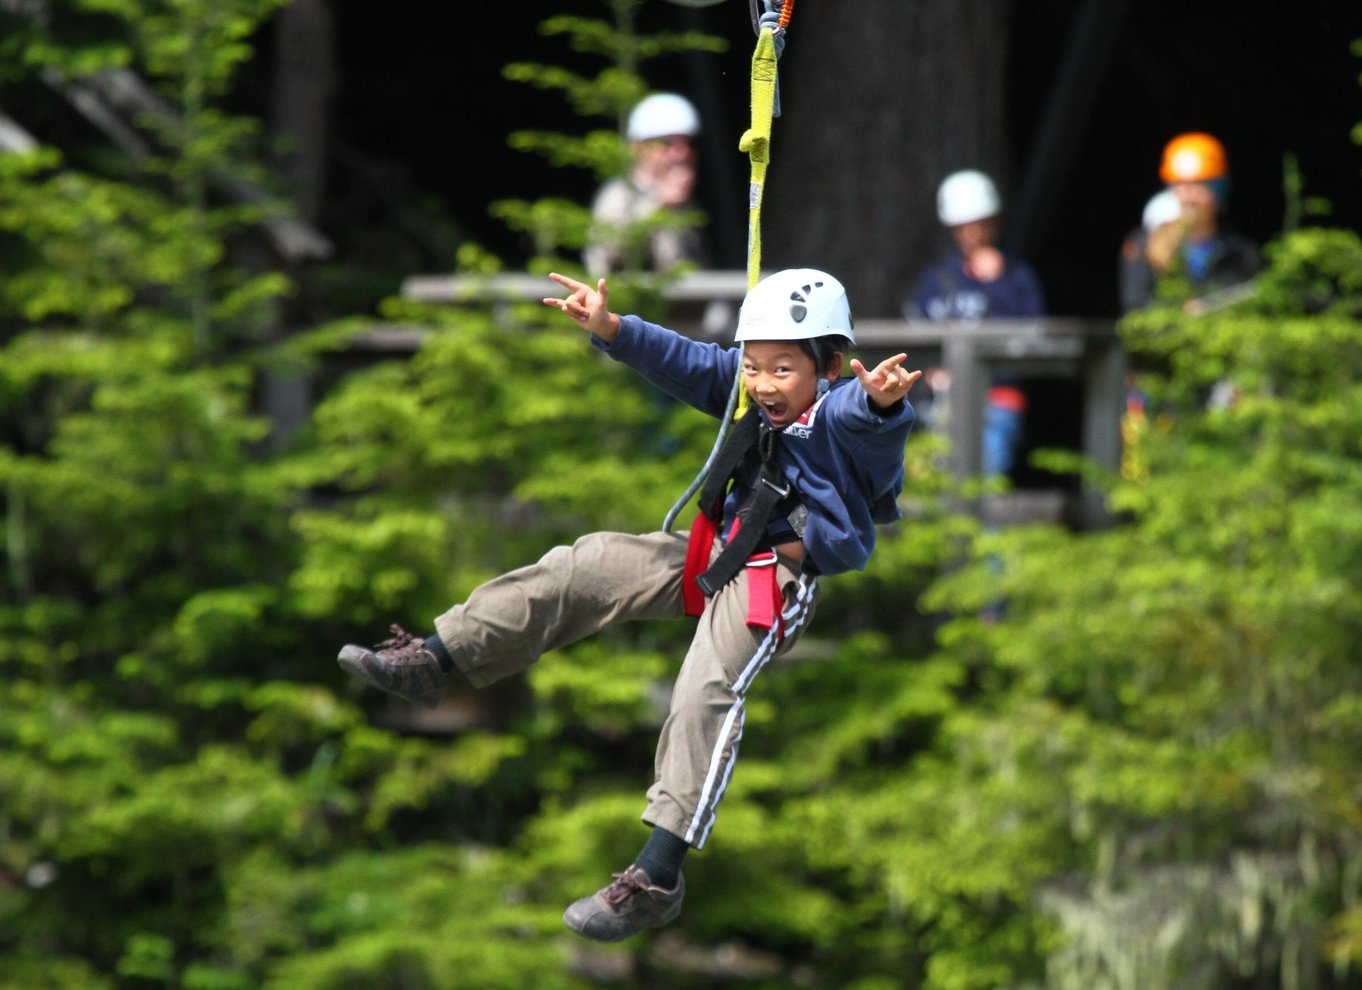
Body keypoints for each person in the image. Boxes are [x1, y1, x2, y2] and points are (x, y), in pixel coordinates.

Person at [337, 268, 921, 942]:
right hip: (714, 554)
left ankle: (658, 874)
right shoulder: (746, 395)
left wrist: (880, 404)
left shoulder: (843, 414)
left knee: (704, 688)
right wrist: (612, 329)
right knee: (586, 565)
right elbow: (689, 361)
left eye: (783, 369)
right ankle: (436, 660)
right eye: (755, 366)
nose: (763, 384)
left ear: (831, 368)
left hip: (772, 582)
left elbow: (867, 425)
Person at [906, 169, 1045, 478]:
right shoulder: (935, 281)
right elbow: (913, 333)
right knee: (935, 481)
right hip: (942, 403)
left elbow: (1035, 334)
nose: (971, 233)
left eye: (980, 223)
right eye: (962, 226)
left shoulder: (1017, 278)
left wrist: (998, 284)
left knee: (987, 475)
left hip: (997, 399)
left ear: (994, 222)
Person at [1118, 132, 1262, 314]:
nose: (1186, 197)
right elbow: (1135, 308)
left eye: (1197, 186)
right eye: (1178, 186)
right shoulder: (1142, 244)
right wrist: (1181, 313)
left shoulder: (1242, 251)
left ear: (1218, 189)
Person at [584, 93, 709, 274]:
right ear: (636, 147)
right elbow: (614, 255)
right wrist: (660, 206)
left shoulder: (686, 201)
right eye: (666, 143)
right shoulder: (618, 194)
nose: (680, 154)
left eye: (686, 143)